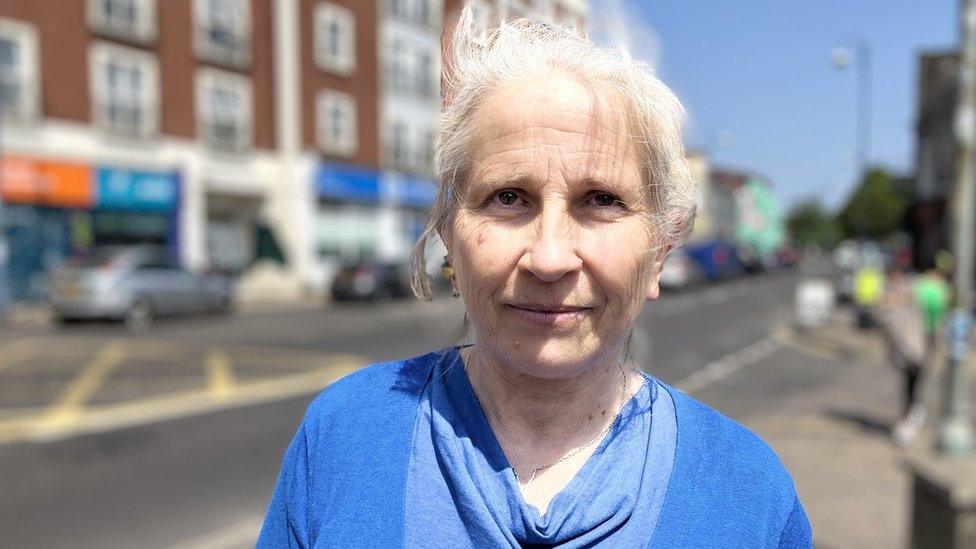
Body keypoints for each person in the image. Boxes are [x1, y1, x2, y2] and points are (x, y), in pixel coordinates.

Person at [259, 12, 811, 548]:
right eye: (508, 197)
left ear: (659, 252)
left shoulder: (749, 496)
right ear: (451, 237)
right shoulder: (343, 434)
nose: (549, 258)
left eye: (601, 201)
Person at [876, 263, 927, 446]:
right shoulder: (887, 297)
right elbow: (885, 318)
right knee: (909, 387)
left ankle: (912, 417)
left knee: (913, 385)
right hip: (904, 351)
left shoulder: (910, 291)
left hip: (916, 348)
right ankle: (909, 420)